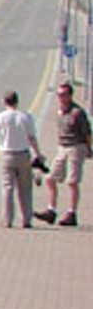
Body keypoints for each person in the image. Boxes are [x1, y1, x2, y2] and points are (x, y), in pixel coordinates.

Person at [0, 89, 41, 229]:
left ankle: (8, 219)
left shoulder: (1, 117)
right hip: (23, 154)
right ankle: (26, 219)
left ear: (4, 102)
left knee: (8, 188)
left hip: (7, 155)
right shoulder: (25, 117)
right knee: (25, 189)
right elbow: (32, 137)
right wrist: (38, 153)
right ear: (17, 101)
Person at [38, 82, 91, 228]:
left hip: (76, 146)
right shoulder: (59, 111)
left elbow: (87, 132)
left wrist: (88, 148)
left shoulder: (77, 112)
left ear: (69, 96)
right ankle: (51, 210)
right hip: (63, 146)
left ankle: (72, 213)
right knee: (50, 178)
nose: (60, 98)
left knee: (72, 182)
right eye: (58, 95)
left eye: (63, 95)